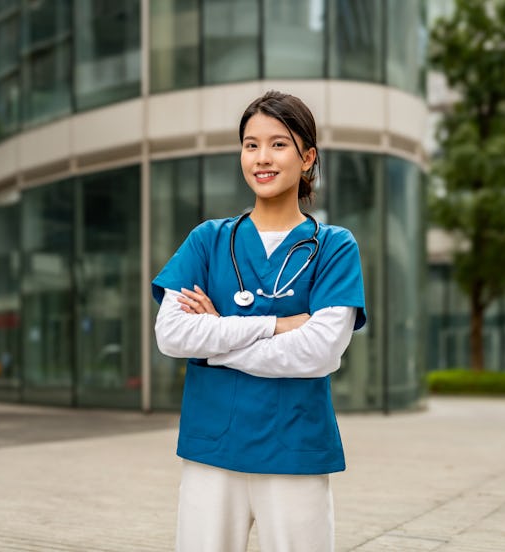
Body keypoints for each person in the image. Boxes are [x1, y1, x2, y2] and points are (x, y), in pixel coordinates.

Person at [152, 90, 367, 552]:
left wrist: (213, 341)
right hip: (213, 451)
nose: (261, 158)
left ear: (308, 157)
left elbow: (320, 352)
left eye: (278, 144)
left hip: (294, 449)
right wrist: (275, 325)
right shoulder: (207, 240)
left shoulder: (334, 246)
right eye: (251, 145)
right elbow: (171, 334)